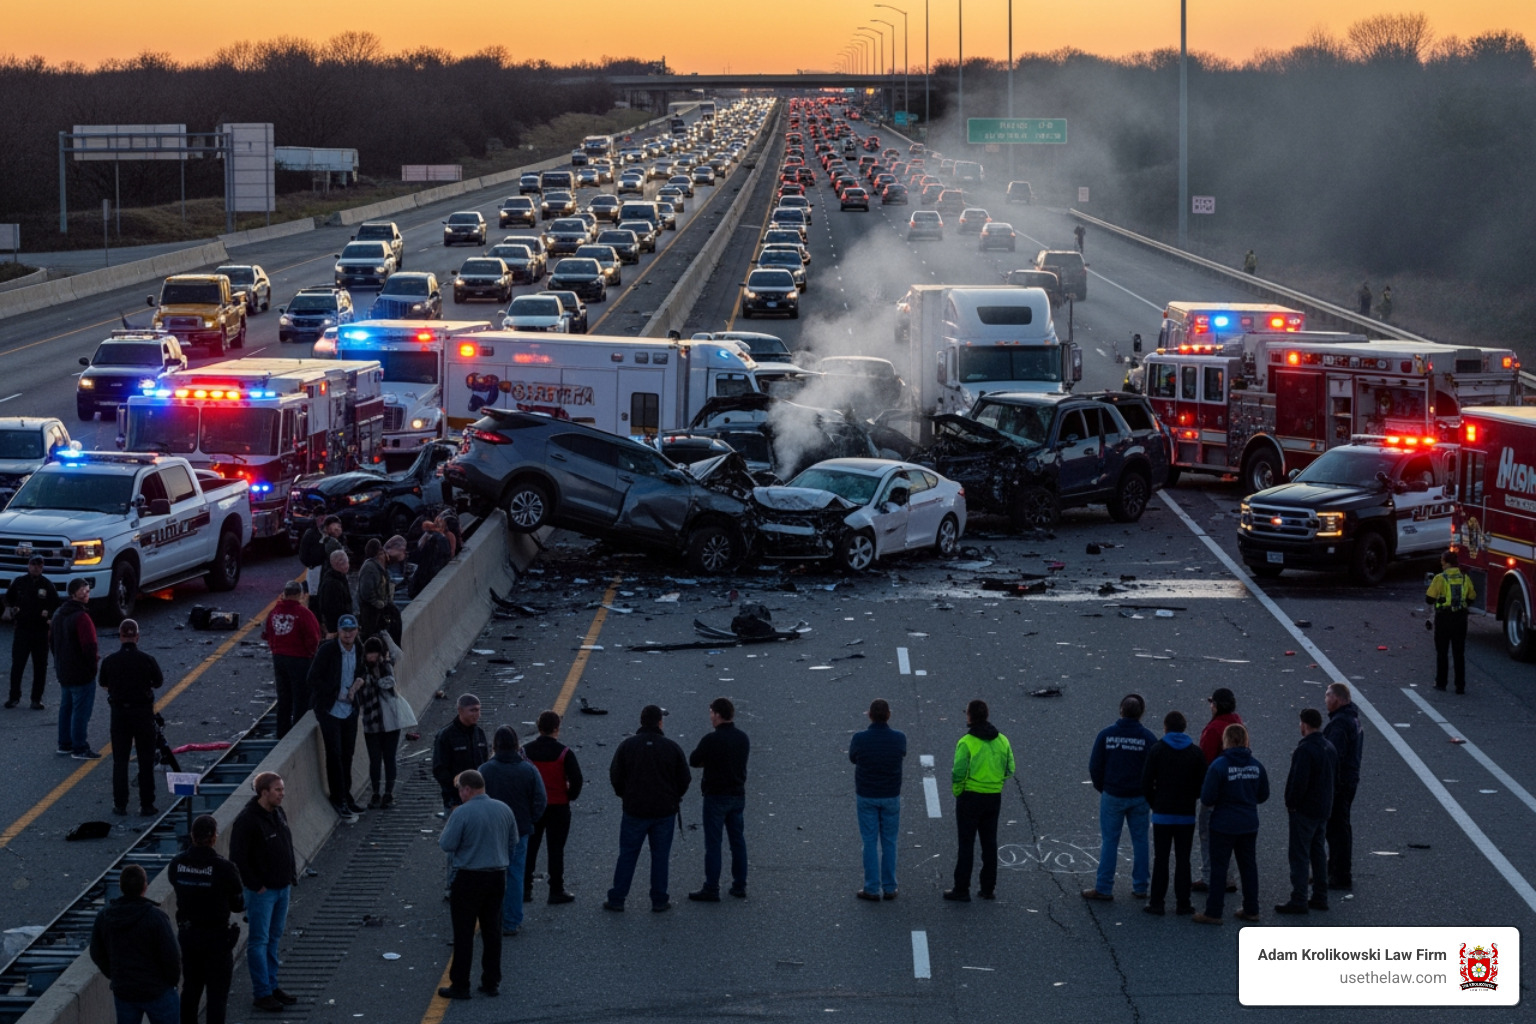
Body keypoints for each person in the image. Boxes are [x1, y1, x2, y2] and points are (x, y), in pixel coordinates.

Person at [437, 769, 516, 1000]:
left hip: (469, 878)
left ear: (467, 789)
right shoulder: (504, 809)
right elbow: (514, 842)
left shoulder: (462, 813)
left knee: (463, 933)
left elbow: (447, 844)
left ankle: (460, 984)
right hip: (497, 877)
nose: (459, 794)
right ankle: (491, 982)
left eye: (460, 789)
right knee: (492, 931)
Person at [604, 704, 691, 912]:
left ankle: (618, 897)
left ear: (641, 721)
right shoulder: (671, 747)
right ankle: (659, 899)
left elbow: (615, 775)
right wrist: (674, 798)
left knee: (628, 854)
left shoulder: (627, 746)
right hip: (664, 811)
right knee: (660, 856)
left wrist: (625, 795)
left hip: (635, 810)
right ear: (660, 722)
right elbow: (684, 779)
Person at [227, 772, 298, 1013]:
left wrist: (291, 875)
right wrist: (256, 885)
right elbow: (237, 858)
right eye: (277, 790)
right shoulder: (247, 820)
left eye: (282, 789)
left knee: (274, 938)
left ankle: (272, 985)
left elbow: (286, 844)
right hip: (262, 892)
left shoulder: (278, 812)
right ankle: (262, 992)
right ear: (263, 792)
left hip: (282, 887)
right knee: (259, 941)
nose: (282, 793)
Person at [167, 814, 244, 1024]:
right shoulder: (224, 868)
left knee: (191, 989)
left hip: (189, 936)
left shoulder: (177, 864)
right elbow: (238, 903)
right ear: (213, 838)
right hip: (217, 939)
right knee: (217, 995)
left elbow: (176, 884)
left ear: (192, 836)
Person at [1193, 724, 1270, 924]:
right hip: (1248, 823)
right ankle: (1252, 908)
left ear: (1226, 740)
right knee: (1248, 867)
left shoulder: (1219, 766)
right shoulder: (1256, 766)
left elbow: (1207, 797)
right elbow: (1263, 795)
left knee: (1219, 868)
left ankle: (1214, 911)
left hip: (1223, 824)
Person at [1084, 694, 1157, 902]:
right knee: (1141, 841)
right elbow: (1154, 769)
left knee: (1109, 841)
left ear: (1121, 710)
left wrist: (1104, 787)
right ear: (1141, 713)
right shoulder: (1148, 738)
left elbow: (1095, 766)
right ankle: (1141, 886)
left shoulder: (1106, 735)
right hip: (1139, 796)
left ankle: (1104, 887)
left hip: (1113, 795)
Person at [89, 863, 181, 1024]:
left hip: (125, 991)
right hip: (156, 990)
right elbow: (171, 955)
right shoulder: (155, 917)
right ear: (144, 887)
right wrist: (171, 982)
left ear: (121, 886)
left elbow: (96, 952)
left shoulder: (105, 916)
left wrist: (114, 975)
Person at [943, 699, 1015, 902]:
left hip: (970, 796)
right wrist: (996, 783)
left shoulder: (967, 742)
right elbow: (1010, 769)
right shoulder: (1002, 740)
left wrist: (958, 791)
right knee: (989, 843)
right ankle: (988, 887)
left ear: (970, 716)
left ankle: (961, 888)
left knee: (966, 843)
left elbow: (958, 772)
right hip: (993, 797)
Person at [480, 726, 546, 936]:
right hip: (519, 829)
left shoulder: (485, 770)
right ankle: (511, 921)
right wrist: (529, 819)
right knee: (515, 874)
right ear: (517, 745)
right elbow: (540, 800)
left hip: (491, 831)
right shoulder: (528, 770)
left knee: (489, 875)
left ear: (495, 745)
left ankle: (490, 919)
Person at [1140, 710, 1207, 916]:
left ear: (1166, 727)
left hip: (1162, 813)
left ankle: (1157, 902)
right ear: (1184, 728)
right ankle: (1183, 903)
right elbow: (1202, 785)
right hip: (1185, 814)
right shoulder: (1196, 753)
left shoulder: (1157, 750)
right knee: (1183, 859)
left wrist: (1155, 802)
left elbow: (1145, 782)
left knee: (1161, 858)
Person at [98, 619, 165, 816]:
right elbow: (158, 682)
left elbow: (103, 683)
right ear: (137, 637)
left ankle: (120, 804)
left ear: (120, 636)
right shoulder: (147, 659)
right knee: (146, 758)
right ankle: (146, 804)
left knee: (120, 760)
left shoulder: (110, 661)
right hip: (143, 713)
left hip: (119, 714)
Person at [688, 697, 751, 902]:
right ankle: (739, 884)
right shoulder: (743, 738)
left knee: (714, 844)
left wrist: (709, 762)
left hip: (715, 796)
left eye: (711, 713)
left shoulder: (711, 740)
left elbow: (694, 760)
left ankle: (711, 887)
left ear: (717, 714)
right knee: (737, 841)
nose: (710, 718)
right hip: (737, 795)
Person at [1276, 708, 1338, 915]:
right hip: (1323, 808)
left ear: (1304, 724)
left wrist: (1291, 803)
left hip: (1305, 810)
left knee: (1299, 854)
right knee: (1318, 852)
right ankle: (1320, 895)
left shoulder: (1305, 750)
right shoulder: (1329, 747)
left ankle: (1299, 898)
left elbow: (1298, 781)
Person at [306, 614, 366, 823]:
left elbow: (362, 671)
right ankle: (337, 797)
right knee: (335, 754)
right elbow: (313, 678)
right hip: (329, 709)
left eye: (352, 630)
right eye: (345, 630)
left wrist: (358, 683)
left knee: (347, 753)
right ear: (338, 632)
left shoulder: (358, 647)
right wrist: (336, 693)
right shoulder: (327, 650)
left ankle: (346, 794)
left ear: (357, 630)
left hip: (350, 709)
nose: (348, 634)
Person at [848, 698, 906, 901]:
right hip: (891, 794)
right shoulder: (899, 738)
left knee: (869, 841)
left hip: (867, 795)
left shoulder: (860, 738)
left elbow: (853, 758)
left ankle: (871, 887)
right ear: (888, 715)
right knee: (890, 841)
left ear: (870, 715)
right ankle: (890, 887)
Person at [524, 710, 583, 904]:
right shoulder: (564, 752)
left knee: (530, 848)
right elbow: (576, 779)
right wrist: (569, 795)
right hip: (558, 806)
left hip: (533, 808)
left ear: (539, 727)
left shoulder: (526, 751)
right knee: (556, 849)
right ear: (557, 728)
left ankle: (525, 889)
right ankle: (556, 890)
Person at [1195, 688, 1243, 893]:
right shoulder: (1237, 724)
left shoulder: (1214, 728)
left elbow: (1204, 758)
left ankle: (1209, 876)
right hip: (1236, 788)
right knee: (1229, 835)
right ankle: (1229, 877)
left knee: (1207, 832)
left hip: (1216, 789)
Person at [355, 634, 410, 809]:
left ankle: (388, 793)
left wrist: (386, 634)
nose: (371, 657)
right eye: (369, 653)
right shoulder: (361, 669)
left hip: (390, 722)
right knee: (375, 759)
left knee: (389, 758)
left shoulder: (386, 666)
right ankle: (376, 793)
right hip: (371, 722)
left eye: (374, 653)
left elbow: (390, 678)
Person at [261, 581, 321, 738]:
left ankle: (282, 732)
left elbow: (267, 633)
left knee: (284, 697)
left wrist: (276, 650)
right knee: (301, 698)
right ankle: (298, 734)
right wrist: (311, 655)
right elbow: (313, 638)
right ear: (299, 594)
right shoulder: (304, 614)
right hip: (299, 659)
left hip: (279, 658)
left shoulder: (274, 612)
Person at [50, 577, 100, 759]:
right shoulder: (82, 618)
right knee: (81, 711)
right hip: (80, 673)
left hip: (64, 670)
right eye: (84, 591)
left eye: (87, 590)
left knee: (66, 708)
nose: (87, 593)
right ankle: (79, 747)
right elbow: (89, 647)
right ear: (74, 593)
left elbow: (52, 642)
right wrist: (92, 667)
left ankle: (64, 744)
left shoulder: (58, 614)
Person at [1322, 682, 1364, 890]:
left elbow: (1333, 755)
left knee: (1336, 829)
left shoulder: (1339, 724)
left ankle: (1339, 874)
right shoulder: (1352, 719)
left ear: (1337, 698)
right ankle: (1335, 870)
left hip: (1340, 783)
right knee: (1340, 827)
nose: (1325, 700)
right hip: (1350, 779)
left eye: (1327, 695)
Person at [6, 555, 59, 709]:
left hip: (40, 631)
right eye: (33, 564)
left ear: (42, 567)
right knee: (18, 665)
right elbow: (8, 598)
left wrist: (48, 614)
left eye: (39, 565)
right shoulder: (19, 582)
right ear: (28, 565)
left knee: (40, 666)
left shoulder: (47, 585)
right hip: (22, 629)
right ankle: (14, 697)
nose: (36, 568)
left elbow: (55, 604)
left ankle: (36, 699)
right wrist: (12, 609)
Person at [1426, 550, 1476, 693]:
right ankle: (1460, 686)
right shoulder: (1465, 578)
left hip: (1444, 618)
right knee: (1458, 653)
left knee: (1442, 652)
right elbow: (1471, 596)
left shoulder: (1440, 578)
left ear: (1447, 563)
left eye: (1442, 561)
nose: (1441, 564)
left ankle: (1441, 683)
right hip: (1460, 618)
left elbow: (1429, 598)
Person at [433, 694, 489, 812]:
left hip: (479, 798)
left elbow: (485, 763)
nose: (477, 714)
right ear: (460, 710)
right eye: (472, 710)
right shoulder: (446, 736)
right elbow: (439, 769)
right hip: (456, 800)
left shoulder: (479, 734)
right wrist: (454, 795)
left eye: (478, 710)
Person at [357, 536, 406, 644]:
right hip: (371, 610)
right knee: (370, 635)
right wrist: (379, 603)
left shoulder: (379, 567)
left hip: (381, 606)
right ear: (379, 553)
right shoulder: (370, 568)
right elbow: (367, 592)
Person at [316, 549, 354, 638]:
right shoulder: (332, 584)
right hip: (337, 626)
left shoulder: (337, 577)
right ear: (338, 564)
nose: (348, 565)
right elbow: (332, 609)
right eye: (346, 563)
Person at [411, 519, 453, 598]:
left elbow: (420, 550)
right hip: (435, 569)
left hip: (429, 570)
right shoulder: (442, 537)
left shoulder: (432, 538)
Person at [297, 508, 328, 613]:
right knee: (314, 595)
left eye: (324, 519)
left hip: (326, 569)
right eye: (320, 519)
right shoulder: (310, 534)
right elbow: (303, 554)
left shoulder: (329, 533)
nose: (322, 521)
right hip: (315, 569)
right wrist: (312, 564)